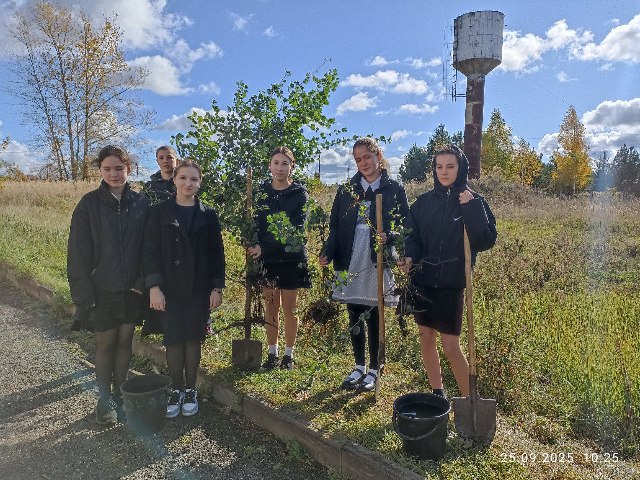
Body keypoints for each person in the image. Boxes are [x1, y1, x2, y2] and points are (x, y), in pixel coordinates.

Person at [400, 145, 497, 399]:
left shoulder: (474, 201)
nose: (443, 171)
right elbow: (411, 237)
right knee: (425, 336)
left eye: (450, 166)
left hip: (452, 283)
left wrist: (471, 209)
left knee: (451, 346)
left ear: (460, 168)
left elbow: (485, 241)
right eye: (439, 166)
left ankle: (471, 401)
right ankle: (438, 392)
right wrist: (409, 256)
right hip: (423, 281)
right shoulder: (422, 203)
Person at [67, 145, 149, 425]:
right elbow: (77, 252)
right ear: (100, 171)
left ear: (129, 169)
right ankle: (105, 400)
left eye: (118, 168)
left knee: (125, 343)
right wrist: (83, 294)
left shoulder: (141, 203)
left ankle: (120, 394)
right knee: (105, 345)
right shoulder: (89, 204)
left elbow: (149, 247)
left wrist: (141, 281)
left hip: (132, 289)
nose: (113, 174)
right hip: (101, 289)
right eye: (107, 169)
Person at [320, 137, 409, 392]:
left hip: (375, 257)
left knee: (373, 313)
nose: (363, 163)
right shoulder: (347, 190)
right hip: (349, 256)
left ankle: (374, 368)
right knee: (354, 312)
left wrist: (390, 237)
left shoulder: (394, 189)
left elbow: (406, 226)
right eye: (358, 159)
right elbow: (335, 225)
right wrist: (328, 252)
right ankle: (359, 365)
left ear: (378, 156)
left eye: (367, 157)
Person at [143, 159, 225, 418]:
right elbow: (150, 251)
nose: (188, 183)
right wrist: (153, 286)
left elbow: (217, 254)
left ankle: (191, 390)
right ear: (174, 180)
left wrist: (216, 288)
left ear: (200, 183)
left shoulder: (208, 214)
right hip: (169, 288)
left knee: (193, 338)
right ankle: (175, 389)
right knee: (173, 339)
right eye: (183, 178)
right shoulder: (159, 212)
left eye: (194, 179)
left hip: (198, 289)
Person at [247, 146, 311, 370]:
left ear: (292, 166)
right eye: (276, 163)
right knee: (271, 306)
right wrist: (253, 243)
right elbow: (255, 225)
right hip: (268, 260)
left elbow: (296, 230)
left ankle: (288, 355)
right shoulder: (260, 193)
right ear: (269, 165)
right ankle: (272, 353)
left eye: (285, 163)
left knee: (290, 309)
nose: (280, 168)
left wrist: (263, 246)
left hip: (291, 258)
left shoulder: (300, 195)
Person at [141, 145, 178, 336]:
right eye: (161, 157)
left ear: (176, 160)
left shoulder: (183, 181)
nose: (166, 161)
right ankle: (161, 327)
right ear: (157, 161)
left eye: (169, 157)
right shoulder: (150, 188)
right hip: (159, 243)